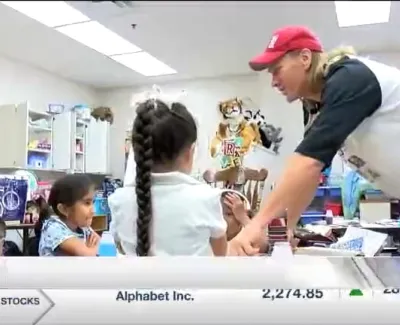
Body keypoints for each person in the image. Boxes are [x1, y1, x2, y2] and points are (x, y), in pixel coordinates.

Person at [230, 25, 400, 255]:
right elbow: (311, 173)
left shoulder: (350, 77)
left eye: (276, 69)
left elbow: (307, 163)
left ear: (305, 57)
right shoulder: (313, 106)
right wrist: (285, 233)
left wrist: (255, 226)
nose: (273, 81)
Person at [108, 98, 228, 256]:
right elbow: (220, 256)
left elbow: (121, 247)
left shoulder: (119, 200)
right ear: (190, 152)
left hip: (133, 280)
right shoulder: (207, 198)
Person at [37, 174, 100, 256]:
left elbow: (100, 244)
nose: (93, 211)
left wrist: (92, 248)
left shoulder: (82, 227)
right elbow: (87, 255)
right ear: (64, 209)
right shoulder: (54, 228)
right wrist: (92, 249)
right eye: (87, 203)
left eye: (93, 202)